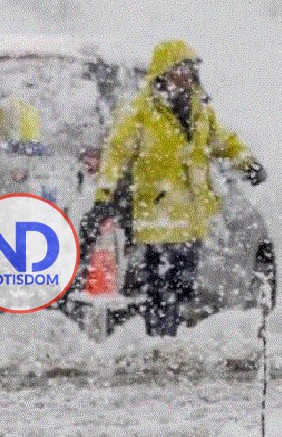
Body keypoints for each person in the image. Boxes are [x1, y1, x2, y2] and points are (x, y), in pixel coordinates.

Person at [84, 39, 266, 337]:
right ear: (163, 72)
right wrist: (104, 197)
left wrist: (246, 162)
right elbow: (116, 155)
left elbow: (221, 140)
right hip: (158, 216)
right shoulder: (140, 114)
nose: (187, 74)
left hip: (192, 217)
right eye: (181, 68)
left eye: (191, 68)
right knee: (161, 285)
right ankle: (160, 338)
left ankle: (170, 338)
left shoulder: (199, 111)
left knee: (183, 286)